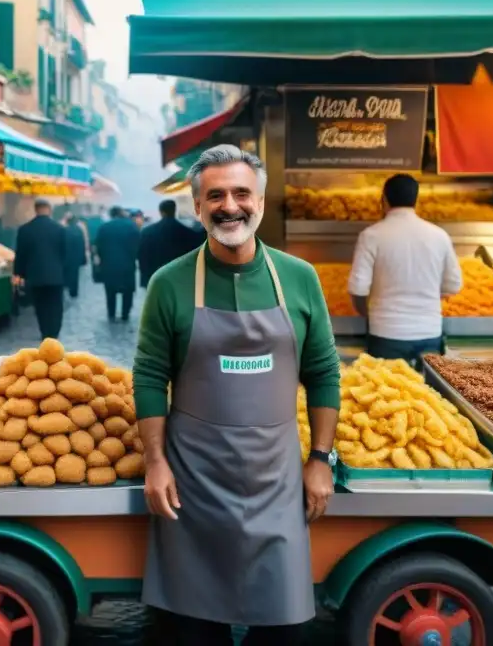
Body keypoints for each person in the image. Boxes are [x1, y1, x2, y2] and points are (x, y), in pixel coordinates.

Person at [132, 145, 341, 645]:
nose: (230, 205)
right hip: (194, 481)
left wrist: (320, 457)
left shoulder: (299, 278)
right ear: (198, 206)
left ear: (261, 202)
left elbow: (324, 370)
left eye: (242, 193)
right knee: (194, 629)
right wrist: (155, 461)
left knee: (285, 627)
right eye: (216, 195)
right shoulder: (169, 283)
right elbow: (148, 375)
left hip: (277, 478)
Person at [348, 173, 463, 366]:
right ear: (416, 200)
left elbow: (358, 288)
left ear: (384, 199)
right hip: (429, 333)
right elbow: (453, 285)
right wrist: (427, 296)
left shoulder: (371, 236)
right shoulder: (439, 235)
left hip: (386, 333)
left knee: (386, 391)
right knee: (425, 394)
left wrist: (367, 313)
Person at [14, 199, 68, 339]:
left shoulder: (25, 229)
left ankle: (45, 332)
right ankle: (54, 332)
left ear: (35, 210)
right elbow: (65, 253)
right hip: (56, 275)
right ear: (49, 209)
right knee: (56, 304)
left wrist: (18, 273)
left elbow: (21, 254)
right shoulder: (60, 229)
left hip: (35, 274)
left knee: (40, 305)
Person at [138, 199, 203, 288]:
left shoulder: (147, 232)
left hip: (154, 276)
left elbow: (142, 255)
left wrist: (145, 277)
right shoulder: (186, 232)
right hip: (178, 276)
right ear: (174, 210)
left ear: (161, 212)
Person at [94, 206, 140, 322]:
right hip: (127, 264)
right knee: (128, 291)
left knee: (110, 291)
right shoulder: (132, 226)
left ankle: (111, 313)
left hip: (109, 265)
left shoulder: (104, 228)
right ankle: (125, 313)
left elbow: (98, 247)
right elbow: (138, 245)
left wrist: (103, 258)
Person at [63, 214, 88, 299]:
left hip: (67, 256)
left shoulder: (65, 230)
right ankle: (74, 292)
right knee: (75, 275)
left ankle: (67, 287)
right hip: (76, 256)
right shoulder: (79, 230)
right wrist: (83, 257)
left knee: (67, 273)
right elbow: (82, 244)